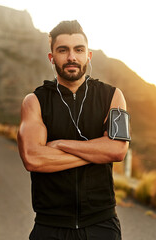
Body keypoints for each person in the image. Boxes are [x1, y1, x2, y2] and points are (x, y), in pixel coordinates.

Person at [17, 20, 130, 240]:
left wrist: (60, 144)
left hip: (102, 225)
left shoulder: (112, 96)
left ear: (88, 55)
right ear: (52, 58)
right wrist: (97, 151)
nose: (71, 57)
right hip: (50, 226)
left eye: (79, 50)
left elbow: (117, 150)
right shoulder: (34, 101)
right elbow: (33, 158)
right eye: (63, 50)